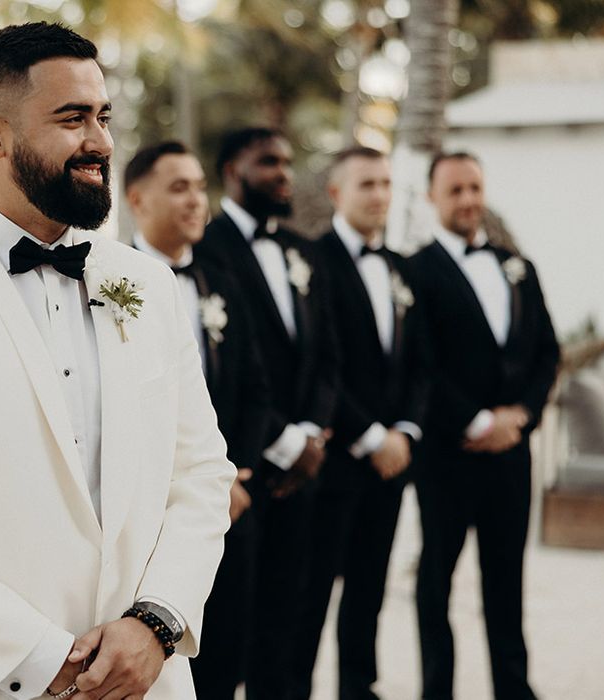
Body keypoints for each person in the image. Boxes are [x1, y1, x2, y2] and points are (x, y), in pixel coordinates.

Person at [0, 22, 235, 700]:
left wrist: (156, 622)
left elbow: (200, 473)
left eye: (104, 116)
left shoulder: (147, 286)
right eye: (72, 118)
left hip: (145, 681)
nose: (102, 143)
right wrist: (42, 658)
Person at [123, 140, 271, 699]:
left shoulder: (224, 282)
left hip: (232, 503)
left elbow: (258, 390)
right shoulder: (106, 282)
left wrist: (236, 476)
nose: (195, 200)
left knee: (229, 649)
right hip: (149, 513)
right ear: (137, 198)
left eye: (199, 186)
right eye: (178, 187)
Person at [409, 152, 559, 700]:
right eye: (455, 190)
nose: (468, 199)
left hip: (510, 456)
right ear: (433, 198)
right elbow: (421, 362)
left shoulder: (517, 265)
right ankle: (436, 690)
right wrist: (475, 421)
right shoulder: (416, 271)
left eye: (475, 187)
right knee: (435, 585)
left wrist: (520, 417)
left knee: (506, 583)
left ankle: (514, 688)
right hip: (448, 457)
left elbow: (548, 352)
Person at [196, 127, 338, 700]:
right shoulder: (205, 249)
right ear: (233, 170)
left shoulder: (304, 250)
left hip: (306, 472)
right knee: (229, 633)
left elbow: (328, 354)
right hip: (240, 472)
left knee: (292, 623)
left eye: (286, 162)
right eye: (268, 163)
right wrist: (280, 442)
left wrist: (311, 435)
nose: (283, 173)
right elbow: (227, 373)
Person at [291, 147, 429, 700]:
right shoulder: (312, 261)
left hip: (391, 461)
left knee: (370, 587)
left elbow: (421, 363)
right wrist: (369, 436)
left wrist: (406, 433)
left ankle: (358, 686)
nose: (379, 195)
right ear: (336, 194)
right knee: (312, 590)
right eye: (366, 184)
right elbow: (321, 363)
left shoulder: (401, 267)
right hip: (334, 462)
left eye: (386, 184)